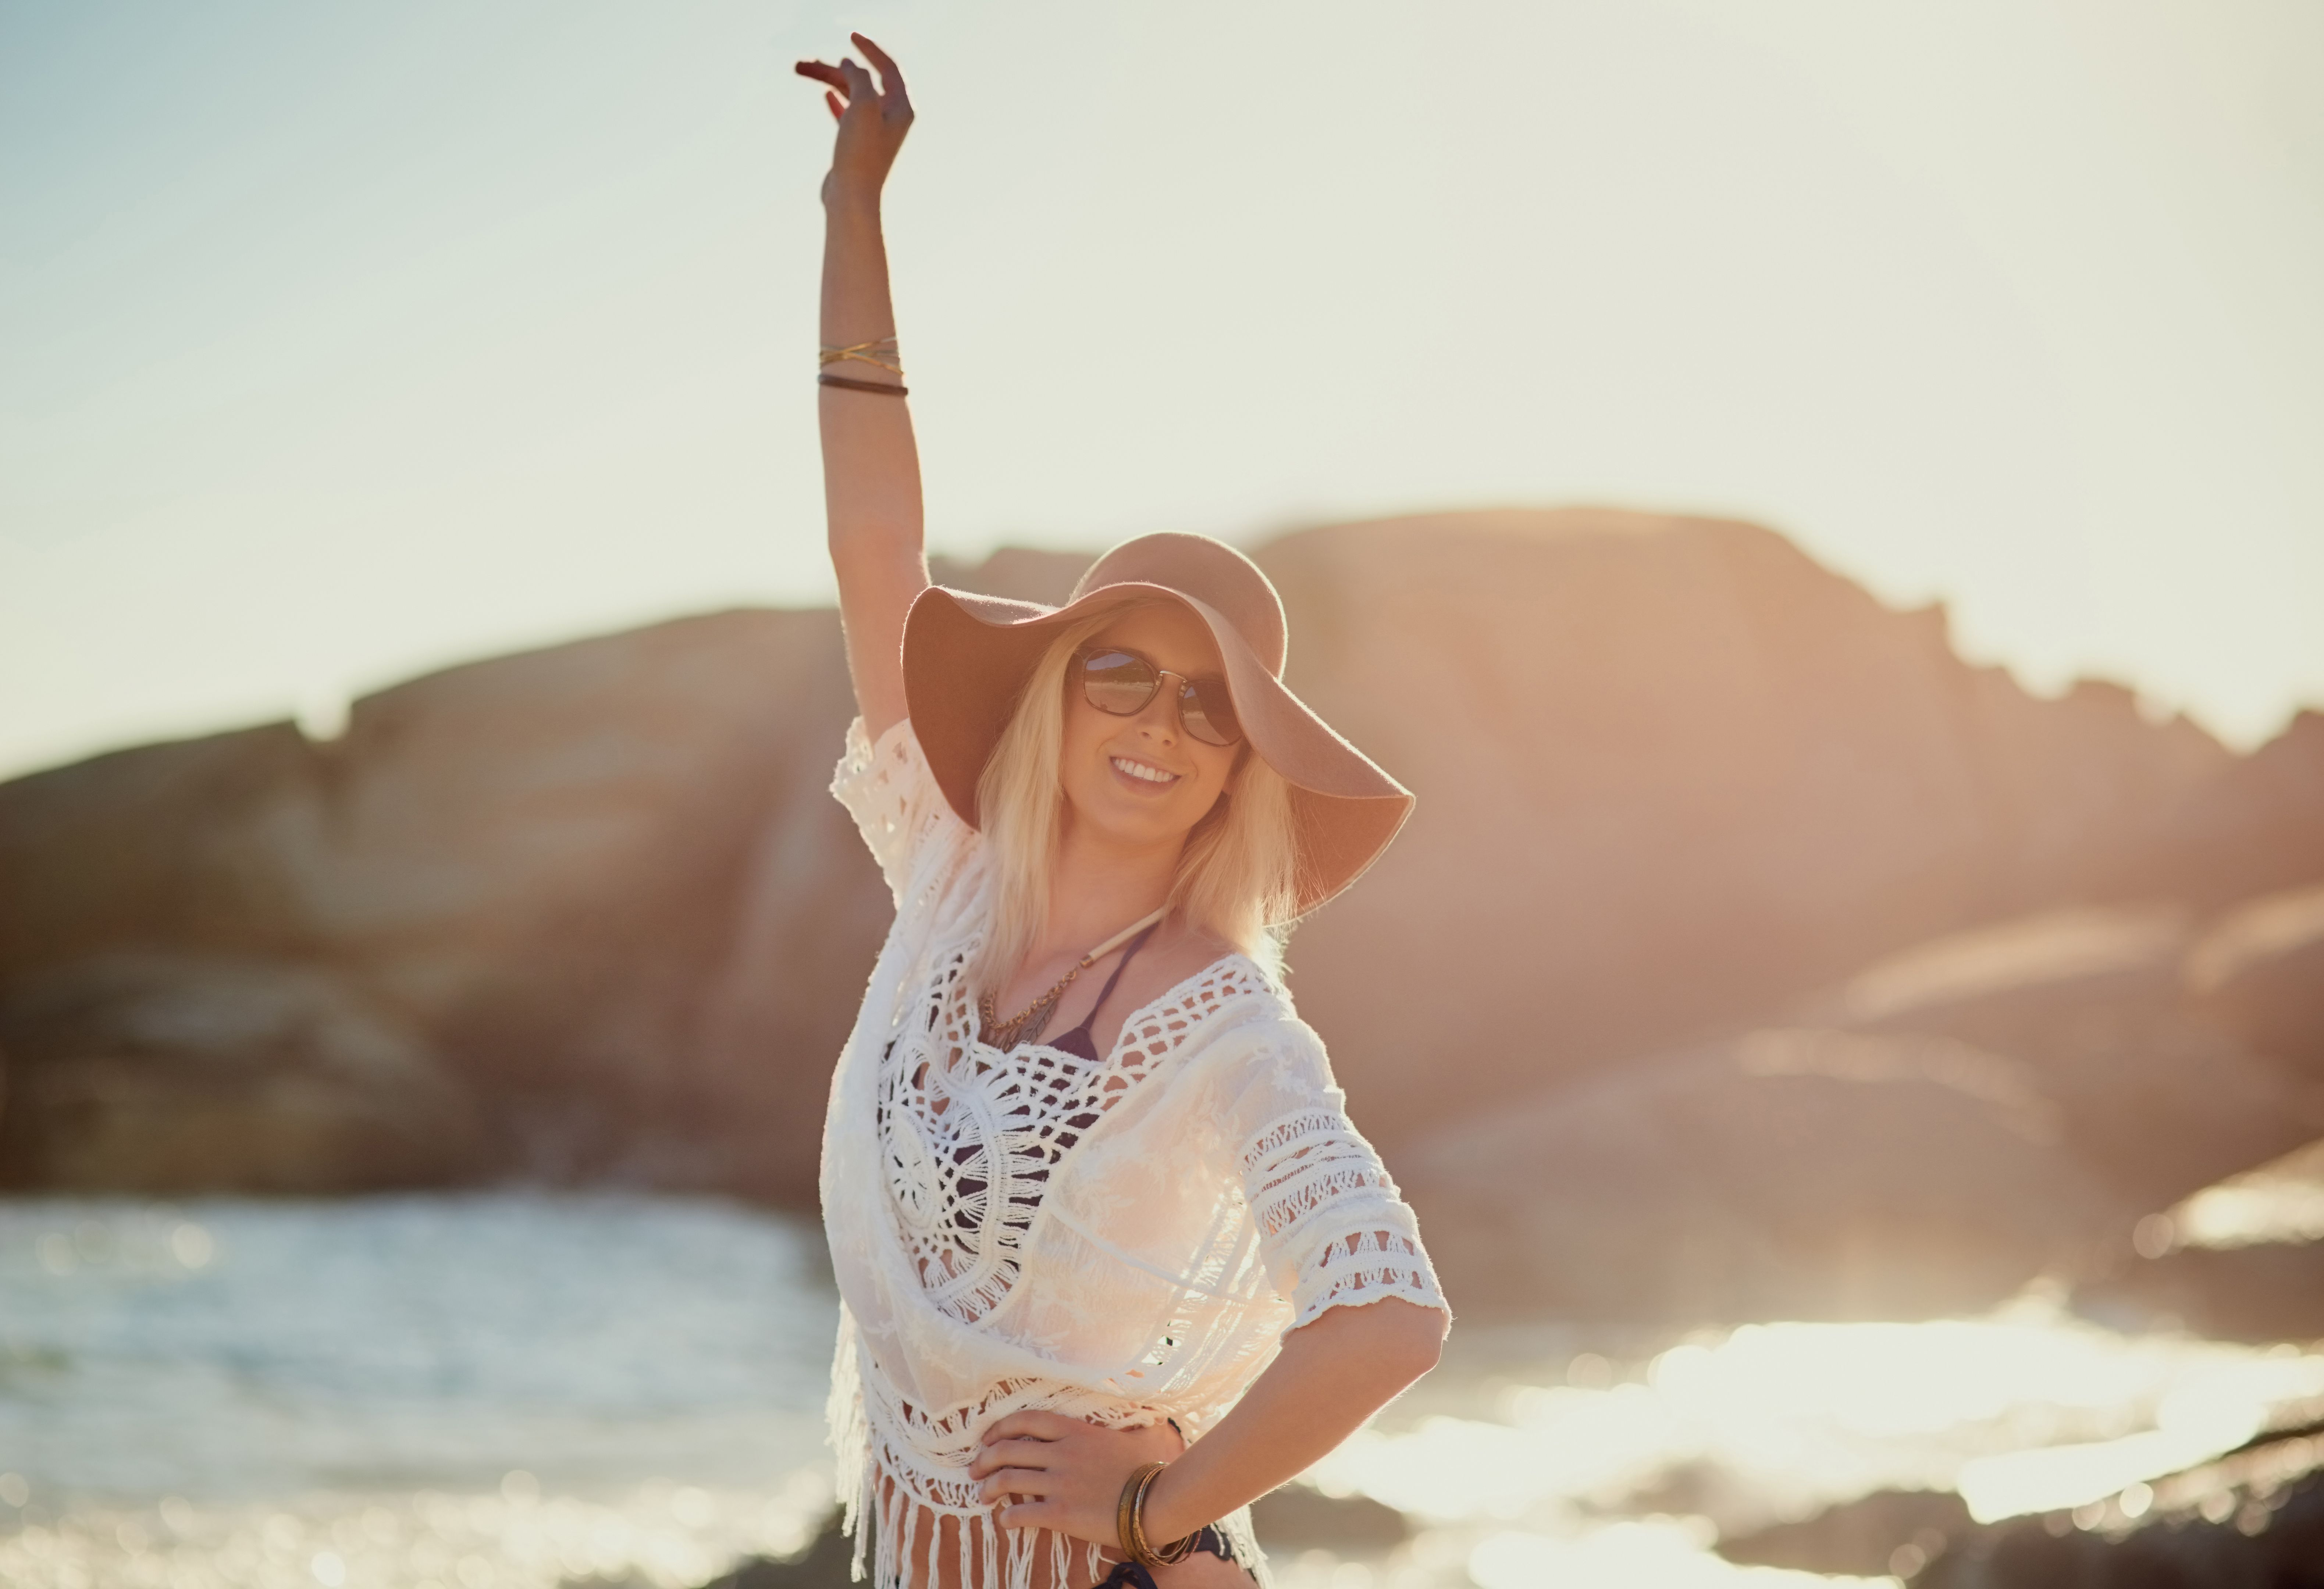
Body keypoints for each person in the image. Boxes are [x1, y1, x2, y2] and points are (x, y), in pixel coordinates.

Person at [794, 35, 1451, 1589]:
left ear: (1236, 771)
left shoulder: (1222, 1028)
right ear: (1055, 695)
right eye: (1121, 674)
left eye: (1209, 706)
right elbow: (875, 541)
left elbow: (1388, 1317)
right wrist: (852, 213)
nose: (1161, 723)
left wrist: (1161, 1506)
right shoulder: (949, 877)